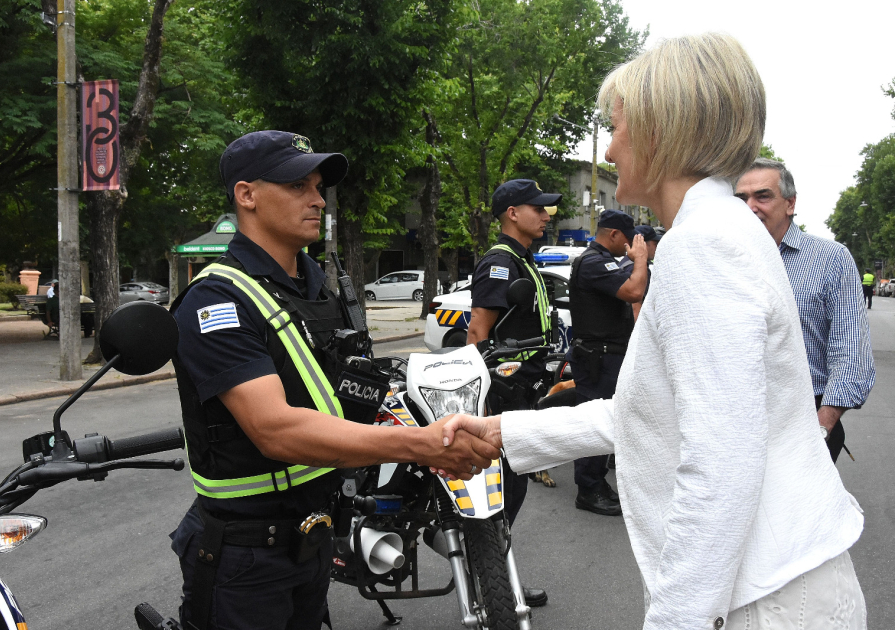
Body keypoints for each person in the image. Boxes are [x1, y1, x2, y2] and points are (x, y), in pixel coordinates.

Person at [441, 33, 866, 630]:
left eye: (617, 128)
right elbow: (640, 414)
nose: (610, 149)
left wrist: (674, 619)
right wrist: (500, 432)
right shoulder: (721, 229)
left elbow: (719, 465)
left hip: (762, 595)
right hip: (770, 584)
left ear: (659, 131)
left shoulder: (703, 244)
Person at [168, 130, 499, 630]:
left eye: (319, 186)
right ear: (247, 195)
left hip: (314, 537)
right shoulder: (217, 298)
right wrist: (420, 445)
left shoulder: (318, 288)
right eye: (298, 185)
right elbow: (275, 428)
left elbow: (344, 387)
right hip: (245, 554)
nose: (317, 199)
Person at [735, 158, 875, 463]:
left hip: (805, 422)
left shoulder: (830, 259)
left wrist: (821, 426)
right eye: (741, 198)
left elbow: (851, 351)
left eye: (762, 196)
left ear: (790, 204)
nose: (750, 206)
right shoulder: (722, 259)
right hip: (734, 424)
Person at [465, 177, 561, 608]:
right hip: (505, 392)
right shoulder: (500, 262)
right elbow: (477, 332)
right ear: (512, 214)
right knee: (505, 489)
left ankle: (495, 577)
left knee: (513, 487)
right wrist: (481, 394)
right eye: (537, 208)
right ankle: (492, 581)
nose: (545, 215)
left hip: (525, 388)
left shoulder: (523, 259)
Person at [566, 209, 647, 516]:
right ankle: (588, 488)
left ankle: (595, 482)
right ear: (613, 234)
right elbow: (634, 290)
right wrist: (639, 259)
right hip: (598, 357)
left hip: (607, 355)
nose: (629, 249)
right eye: (627, 242)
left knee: (605, 420)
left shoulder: (604, 260)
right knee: (593, 423)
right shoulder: (594, 262)